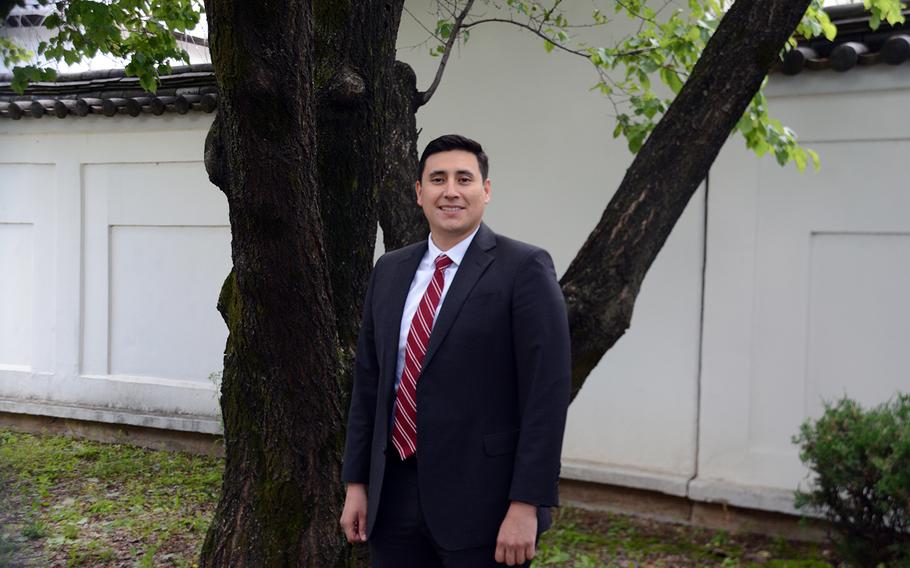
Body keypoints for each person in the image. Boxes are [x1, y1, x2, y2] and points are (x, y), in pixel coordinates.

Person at [339, 134, 571, 567]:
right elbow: (368, 386)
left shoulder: (524, 269)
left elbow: (547, 395)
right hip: (393, 497)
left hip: (485, 501)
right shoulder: (389, 272)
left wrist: (526, 505)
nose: (451, 191)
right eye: (438, 179)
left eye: (464, 179)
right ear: (419, 193)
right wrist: (357, 483)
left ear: (485, 190)